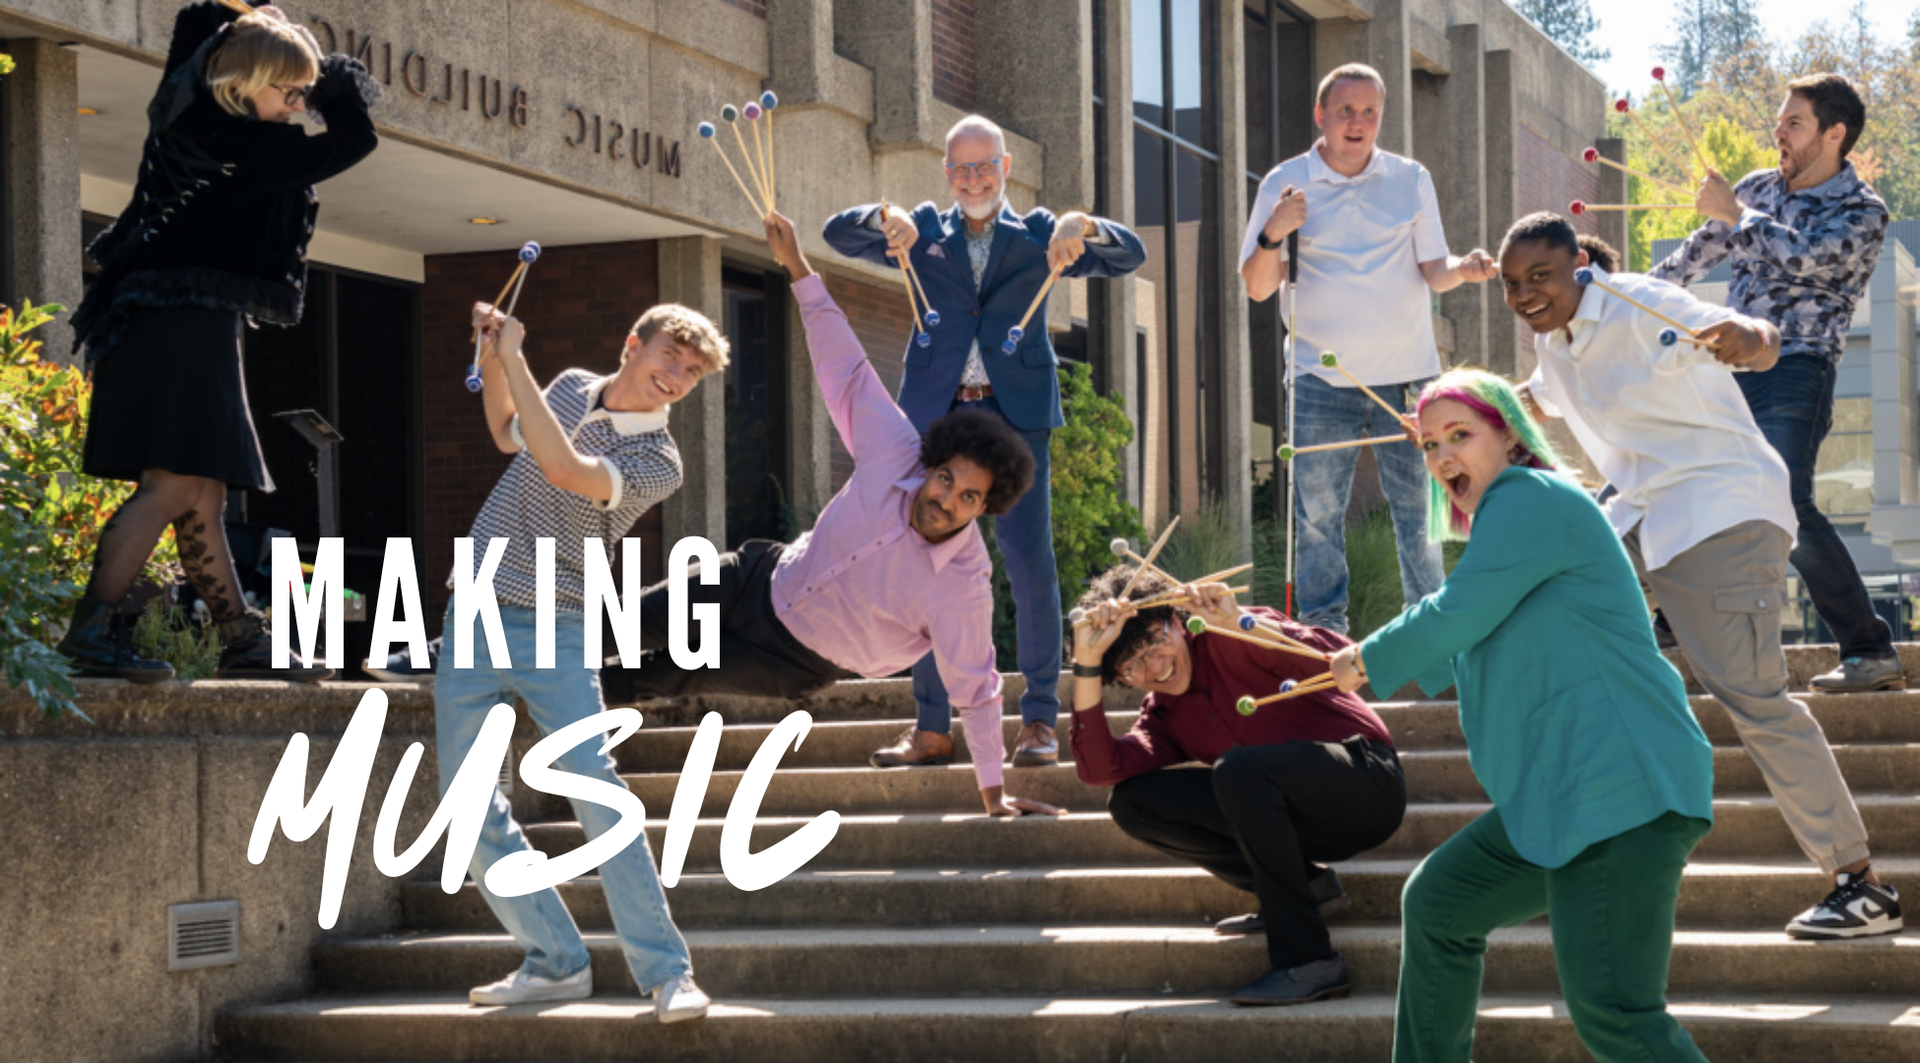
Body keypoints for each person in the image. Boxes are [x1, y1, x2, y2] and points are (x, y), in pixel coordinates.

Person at [1504, 212, 1901, 940]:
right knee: (1546, 620)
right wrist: (1454, 415)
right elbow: (1530, 400)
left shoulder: (1635, 304)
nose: (1526, 293)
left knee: (1753, 697)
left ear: (1578, 270)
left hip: (1721, 512)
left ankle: (1860, 883)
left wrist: (1749, 341)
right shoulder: (1552, 342)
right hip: (1643, 521)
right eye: (1512, 284)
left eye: (1540, 277)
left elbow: (1753, 336)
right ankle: (1565, 848)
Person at [600, 212, 1063, 819]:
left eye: (968, 498)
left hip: (793, 658)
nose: (946, 499)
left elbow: (977, 692)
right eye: (945, 478)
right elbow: (845, 369)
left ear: (984, 508)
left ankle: (533, 704)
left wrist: (993, 793)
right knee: (617, 624)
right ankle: (463, 654)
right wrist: (797, 267)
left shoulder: (963, 585)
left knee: (650, 678)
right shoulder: (894, 448)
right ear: (931, 463)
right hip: (754, 580)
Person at [1330, 367, 1716, 1063]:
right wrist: (1309, 646)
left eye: (1461, 435)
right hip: (1563, 797)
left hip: (1619, 786)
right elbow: (1454, 645)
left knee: (1618, 1014)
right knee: (1441, 904)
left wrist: (1366, 657)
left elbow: (1455, 614)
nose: (1444, 456)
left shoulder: (1527, 496)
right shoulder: (1506, 536)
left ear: (1508, 435)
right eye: (1428, 445)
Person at [434, 287, 732, 1020]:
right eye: (672, 355)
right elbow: (509, 432)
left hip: (557, 623)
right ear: (635, 344)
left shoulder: (658, 458)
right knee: (465, 803)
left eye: (692, 373)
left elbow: (564, 468)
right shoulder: (567, 385)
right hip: (472, 601)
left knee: (596, 791)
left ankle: (666, 971)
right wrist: (494, 355)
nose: (677, 375)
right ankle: (554, 959)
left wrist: (515, 357)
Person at [62, 1, 380, 682]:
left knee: (199, 490)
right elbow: (357, 139)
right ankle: (91, 633)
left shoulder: (180, 104)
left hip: (158, 314)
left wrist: (263, 23)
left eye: (304, 93)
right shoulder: (261, 150)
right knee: (174, 482)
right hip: (183, 320)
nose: (299, 104)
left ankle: (240, 636)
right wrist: (324, 75)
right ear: (245, 80)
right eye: (289, 90)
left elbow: (196, 15)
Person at [822, 115, 1147, 772]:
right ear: (947, 173)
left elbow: (1129, 254)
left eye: (984, 167)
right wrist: (885, 213)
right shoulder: (920, 232)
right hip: (937, 417)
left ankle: (1036, 723)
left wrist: (1080, 224)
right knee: (923, 565)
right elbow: (835, 232)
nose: (973, 179)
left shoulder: (1038, 236)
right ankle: (933, 727)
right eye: (961, 168)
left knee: (1028, 562)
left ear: (1005, 171)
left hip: (1015, 414)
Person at [1652, 72, 1901, 693]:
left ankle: (1870, 649)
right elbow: (1688, 259)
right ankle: (1673, 623)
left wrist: (1737, 216)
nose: (1778, 132)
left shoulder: (1864, 211)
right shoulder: (1757, 187)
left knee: (1784, 500)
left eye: (1794, 122)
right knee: (1694, 485)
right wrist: (1614, 295)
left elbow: (1805, 257)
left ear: (1834, 134)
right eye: (1779, 120)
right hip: (1726, 364)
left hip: (1798, 364)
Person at [1238, 63, 1497, 635]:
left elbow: (1435, 269)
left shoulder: (1410, 178)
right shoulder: (1286, 182)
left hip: (1408, 379)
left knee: (1420, 513)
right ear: (1321, 116)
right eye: (1346, 111)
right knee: (1317, 517)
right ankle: (1325, 630)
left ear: (1381, 117)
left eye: (1370, 113)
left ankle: (1429, 629)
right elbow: (1257, 286)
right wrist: (1273, 232)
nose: (1358, 123)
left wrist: (1466, 269)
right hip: (1317, 378)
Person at [1068, 566, 1404, 1006]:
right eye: (1132, 665)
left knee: (1238, 769)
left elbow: (1344, 660)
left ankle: (1310, 961)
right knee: (1133, 803)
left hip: (1366, 784)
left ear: (1176, 622)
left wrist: (1240, 623)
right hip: (1291, 816)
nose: (1155, 666)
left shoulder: (1231, 633)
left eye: (1155, 640)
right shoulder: (1164, 717)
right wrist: (1086, 663)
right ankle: (1306, 887)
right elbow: (1098, 769)